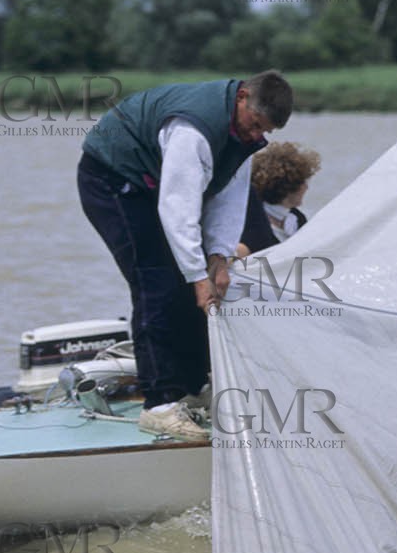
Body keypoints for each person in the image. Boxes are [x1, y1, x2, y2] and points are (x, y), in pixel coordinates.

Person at [77, 71, 293, 439]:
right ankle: (159, 404)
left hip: (155, 182)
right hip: (112, 178)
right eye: (255, 123)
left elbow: (228, 200)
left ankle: (192, 388)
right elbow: (177, 209)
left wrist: (218, 259)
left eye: (265, 131)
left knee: (194, 281)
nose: (257, 135)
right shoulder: (192, 131)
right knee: (156, 282)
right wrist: (197, 276)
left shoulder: (244, 136)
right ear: (242, 97)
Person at [237, 142, 322, 256]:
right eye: (303, 182)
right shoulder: (251, 223)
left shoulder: (298, 219)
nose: (306, 187)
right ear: (288, 186)